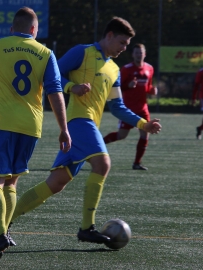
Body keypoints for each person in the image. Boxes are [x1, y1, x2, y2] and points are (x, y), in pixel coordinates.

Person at [9, 17, 162, 247]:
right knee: (103, 164)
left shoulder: (114, 69)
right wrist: (72, 87)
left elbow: (117, 106)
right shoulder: (83, 52)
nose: (124, 49)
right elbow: (51, 72)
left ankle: (4, 222)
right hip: (78, 121)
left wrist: (142, 124)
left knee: (56, 183)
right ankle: (86, 228)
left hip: (87, 126)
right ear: (109, 35)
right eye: (122, 42)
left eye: (127, 45)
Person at [0, 7, 71, 264]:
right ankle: (6, 231)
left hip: (2, 123)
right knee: (11, 182)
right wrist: (64, 128)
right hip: (32, 126)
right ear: (35, 30)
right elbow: (56, 93)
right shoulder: (46, 53)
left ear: (12, 29)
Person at [103, 44, 158, 170]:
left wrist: (152, 91)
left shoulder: (149, 68)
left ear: (145, 54)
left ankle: (137, 163)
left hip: (143, 109)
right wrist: (128, 85)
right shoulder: (126, 69)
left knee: (145, 135)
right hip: (128, 109)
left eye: (141, 52)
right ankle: (96, 145)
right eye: (136, 53)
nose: (139, 55)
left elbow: (147, 86)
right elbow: (117, 88)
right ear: (133, 54)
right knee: (122, 136)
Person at [192, 68, 203, 140]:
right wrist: (194, 98)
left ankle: (200, 128)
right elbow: (196, 85)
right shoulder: (201, 72)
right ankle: (199, 128)